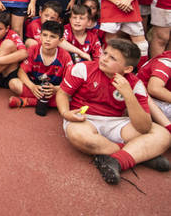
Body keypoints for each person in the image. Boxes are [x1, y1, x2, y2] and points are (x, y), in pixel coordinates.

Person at [57, 39, 171, 185]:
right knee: (79, 135)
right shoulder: (82, 68)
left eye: (112, 58)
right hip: (85, 119)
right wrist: (66, 113)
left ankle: (117, 159)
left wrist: (129, 95)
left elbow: (143, 127)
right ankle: (137, 154)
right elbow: (62, 94)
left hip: (117, 122)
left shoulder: (135, 84)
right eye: (105, 53)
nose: (104, 59)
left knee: (163, 135)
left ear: (128, 69)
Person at [8, 21, 73, 116]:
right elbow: (21, 72)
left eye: (52, 37)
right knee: (13, 83)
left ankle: (29, 101)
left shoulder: (65, 56)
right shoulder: (33, 49)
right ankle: (48, 102)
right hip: (35, 87)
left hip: (53, 89)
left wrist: (55, 89)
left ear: (61, 40)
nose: (47, 39)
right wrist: (32, 87)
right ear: (40, 36)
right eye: (45, 35)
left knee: (71, 96)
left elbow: (70, 81)